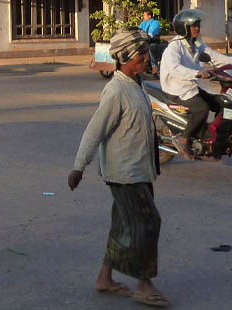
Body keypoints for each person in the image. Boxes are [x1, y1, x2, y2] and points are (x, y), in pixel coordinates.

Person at [68, 27, 170, 308]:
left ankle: (104, 278)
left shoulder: (136, 84)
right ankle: (144, 284)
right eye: (141, 54)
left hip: (140, 169)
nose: (146, 58)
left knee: (122, 225)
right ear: (125, 57)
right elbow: (94, 131)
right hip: (126, 174)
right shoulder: (115, 91)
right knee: (148, 223)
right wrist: (79, 166)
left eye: (146, 53)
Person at [159, 8, 232, 160]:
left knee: (221, 103)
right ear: (183, 28)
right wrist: (196, 73)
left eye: (198, 25)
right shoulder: (174, 47)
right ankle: (183, 139)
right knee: (202, 109)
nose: (197, 28)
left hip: (191, 86)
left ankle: (214, 137)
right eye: (193, 25)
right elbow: (175, 68)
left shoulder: (195, 42)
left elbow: (212, 55)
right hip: (177, 89)